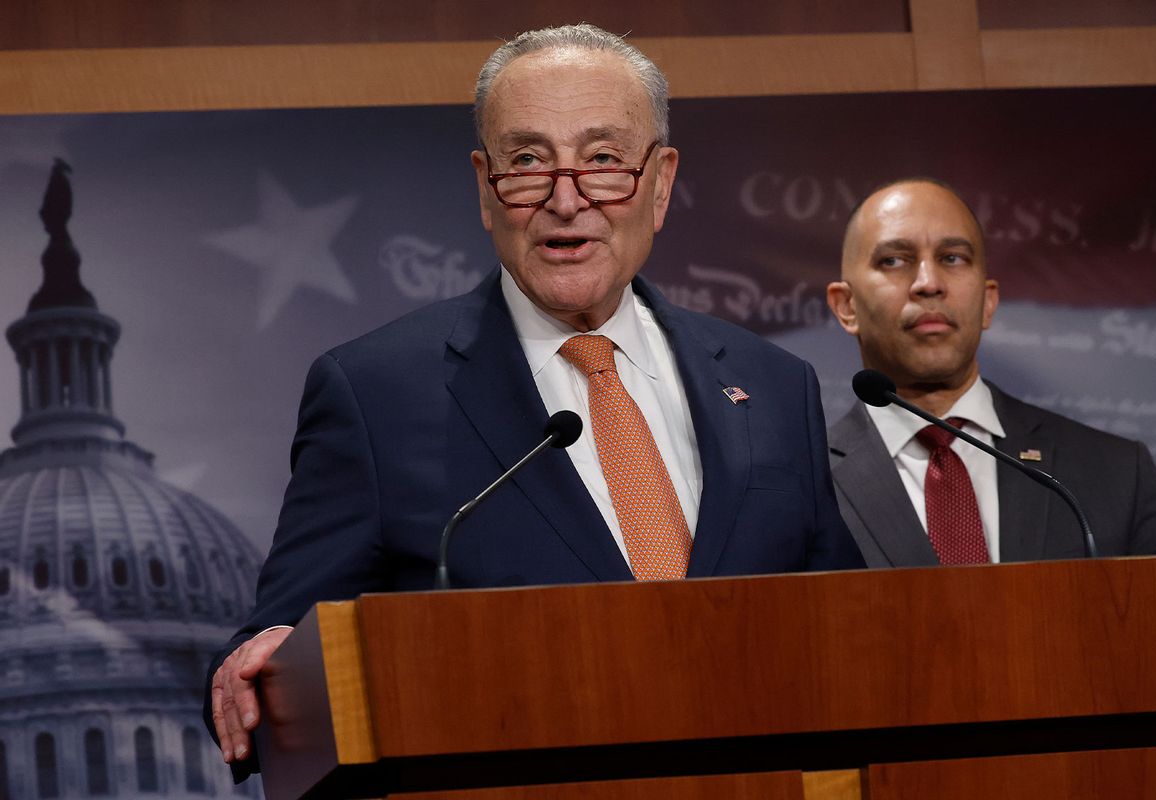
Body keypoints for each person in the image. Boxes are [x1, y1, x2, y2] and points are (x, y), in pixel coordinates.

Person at [207, 23, 864, 777]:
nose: (565, 197)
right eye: (526, 163)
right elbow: (272, 663)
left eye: (604, 160)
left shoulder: (775, 386)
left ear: (661, 182)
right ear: (485, 189)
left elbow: (844, 637)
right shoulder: (373, 395)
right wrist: (257, 669)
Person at [825, 178, 1156, 568]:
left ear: (988, 301)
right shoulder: (804, 486)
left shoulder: (1116, 474)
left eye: (952, 258)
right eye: (893, 260)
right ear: (846, 306)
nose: (928, 284)